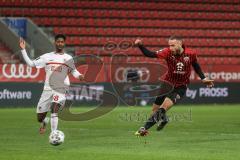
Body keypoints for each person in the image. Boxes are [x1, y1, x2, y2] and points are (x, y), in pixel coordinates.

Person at [134, 35, 214, 136]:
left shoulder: (191, 53)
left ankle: (143, 128)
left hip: (180, 87)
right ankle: (164, 120)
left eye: (173, 45)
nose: (170, 48)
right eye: (169, 45)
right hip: (167, 84)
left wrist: (203, 78)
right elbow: (150, 54)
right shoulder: (167, 52)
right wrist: (140, 45)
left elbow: (196, 65)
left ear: (180, 44)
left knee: (163, 108)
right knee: (155, 110)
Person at [19, 34, 84, 134]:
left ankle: (54, 134)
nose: (60, 43)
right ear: (55, 42)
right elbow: (31, 64)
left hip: (62, 87)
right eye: (58, 41)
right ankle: (45, 121)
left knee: (54, 109)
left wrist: (79, 76)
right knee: (40, 118)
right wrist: (23, 50)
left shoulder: (68, 58)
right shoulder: (46, 57)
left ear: (64, 43)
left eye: (62, 42)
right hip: (47, 89)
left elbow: (74, 71)